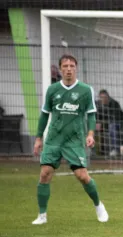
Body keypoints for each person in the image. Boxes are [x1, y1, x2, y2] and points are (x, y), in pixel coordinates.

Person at [32, 54, 108, 225]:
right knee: (44, 174)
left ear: (76, 68)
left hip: (74, 139)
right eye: (65, 66)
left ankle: (98, 205)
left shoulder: (85, 90)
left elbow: (91, 115)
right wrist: (38, 138)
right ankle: (42, 215)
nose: (68, 69)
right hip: (53, 139)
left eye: (71, 66)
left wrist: (90, 134)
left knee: (82, 176)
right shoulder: (52, 90)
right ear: (60, 69)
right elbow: (45, 115)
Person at [96, 89, 123, 157]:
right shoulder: (98, 104)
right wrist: (97, 122)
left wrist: (102, 123)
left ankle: (115, 149)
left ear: (108, 97)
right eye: (101, 98)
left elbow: (114, 118)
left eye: (105, 97)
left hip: (119, 123)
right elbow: (96, 115)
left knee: (112, 126)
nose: (103, 99)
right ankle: (93, 151)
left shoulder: (114, 103)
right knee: (91, 126)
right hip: (105, 124)